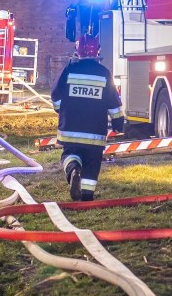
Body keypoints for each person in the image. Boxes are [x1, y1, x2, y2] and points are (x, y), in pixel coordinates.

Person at [50, 34, 124, 200]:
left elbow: (55, 94)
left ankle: (74, 170)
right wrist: (118, 122)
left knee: (70, 154)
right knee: (92, 162)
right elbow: (113, 101)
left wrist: (60, 110)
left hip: (70, 129)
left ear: (78, 51)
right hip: (95, 132)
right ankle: (87, 196)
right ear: (97, 51)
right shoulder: (104, 73)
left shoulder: (69, 69)